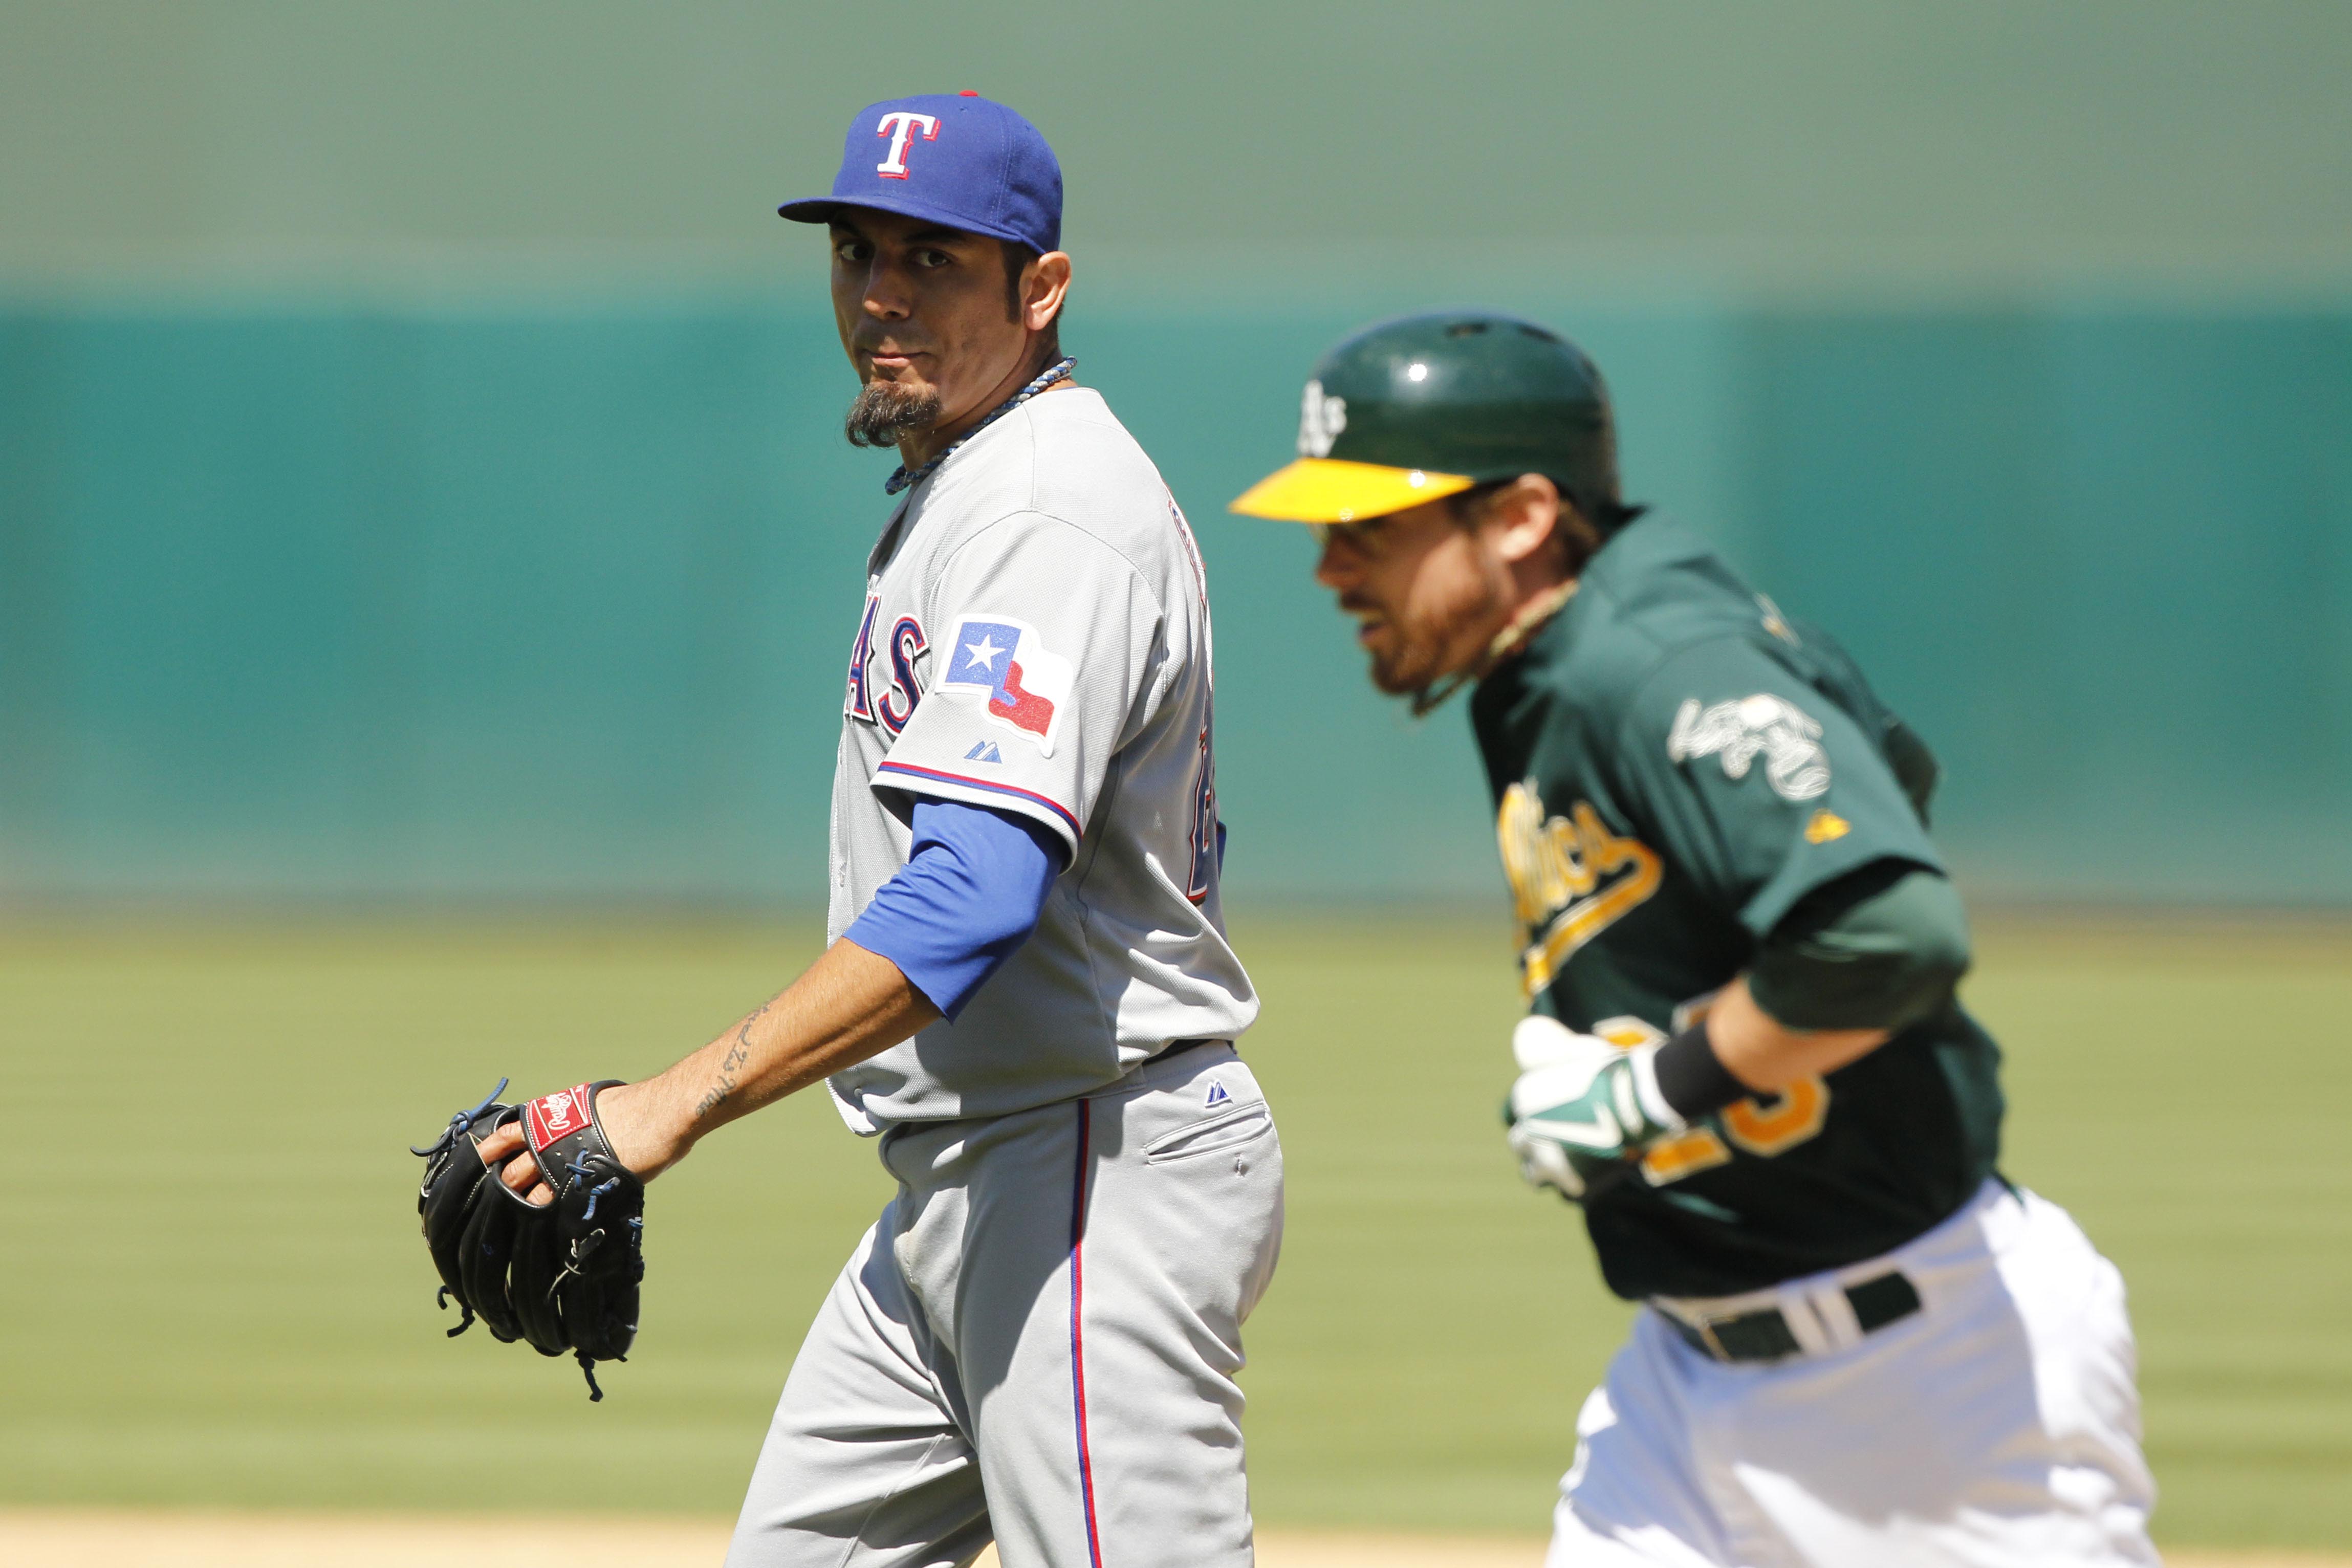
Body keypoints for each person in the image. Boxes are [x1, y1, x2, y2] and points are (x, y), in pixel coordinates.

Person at [478, 93, 1280, 1568]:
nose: (882, 296)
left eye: (935, 259)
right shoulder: (972, 486)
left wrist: (666, 1105)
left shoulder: (1046, 509)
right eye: (857, 253)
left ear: (1040, 290)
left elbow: (974, 894)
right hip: (972, 1185)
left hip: (1091, 1174)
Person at [1229, 311, 2157, 1566]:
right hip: (1682, 1380)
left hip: (1936, 1387)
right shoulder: (1540, 656)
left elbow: (1892, 926)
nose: (1332, 566)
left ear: (1519, 518)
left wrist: (1654, 1086)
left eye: (1372, 527)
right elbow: (1891, 762)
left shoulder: (1649, 661)